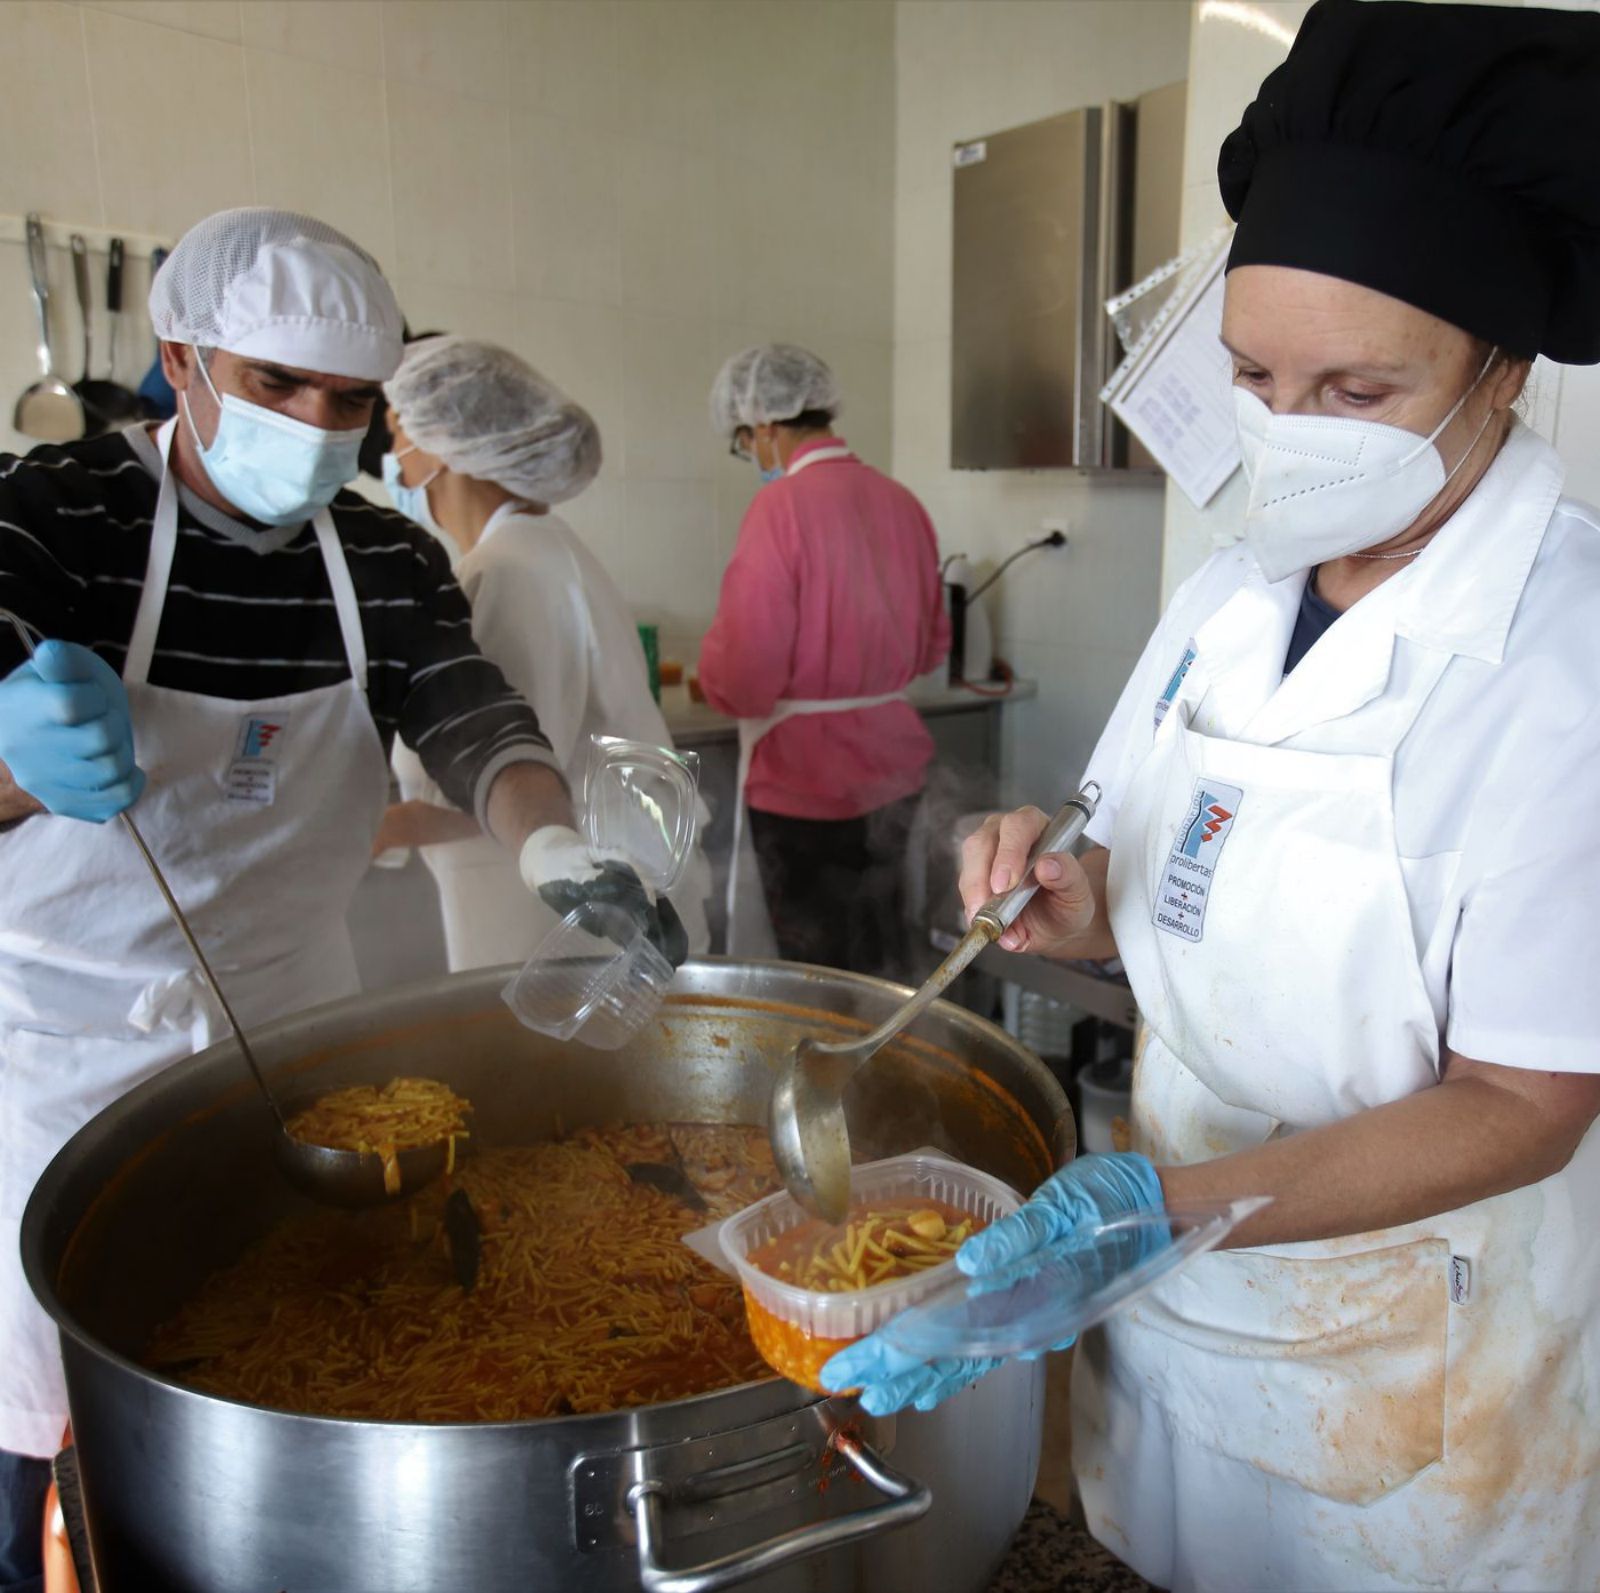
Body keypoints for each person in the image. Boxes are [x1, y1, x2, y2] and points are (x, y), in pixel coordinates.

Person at [825, 4, 1600, 1588]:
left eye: (1356, 390)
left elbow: (1528, 1103)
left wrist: (1159, 1206)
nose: (1285, 434)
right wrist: (1071, 892)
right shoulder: (1237, 592)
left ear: (1501, 373)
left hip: (1408, 1358)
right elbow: (1161, 885)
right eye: (1252, 373)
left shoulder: (1565, 661)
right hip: (1177, 1297)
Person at [0, 209, 678, 1591]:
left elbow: (474, 716)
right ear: (182, 362)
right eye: (276, 387)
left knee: (300, 1376)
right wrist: (7, 761)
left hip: (303, 1053)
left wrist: (548, 844)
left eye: (351, 401)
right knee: (57, 1456)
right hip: (63, 1063)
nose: (317, 427)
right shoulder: (53, 513)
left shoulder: (378, 557)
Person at [376, 335, 708, 968]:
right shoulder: (548, 549)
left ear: (445, 448)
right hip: (580, 920)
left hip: (551, 934)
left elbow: (506, 780)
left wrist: (371, 831)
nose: (391, 460)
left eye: (396, 434)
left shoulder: (506, 571)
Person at [701, 344, 949, 973]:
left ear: (765, 427)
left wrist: (715, 681)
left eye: (746, 441)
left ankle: (828, 1067)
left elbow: (745, 677)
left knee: (817, 968)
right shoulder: (902, 502)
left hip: (802, 780)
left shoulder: (778, 508)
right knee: (880, 949)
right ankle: (884, 1062)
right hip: (894, 768)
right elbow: (931, 647)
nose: (753, 456)